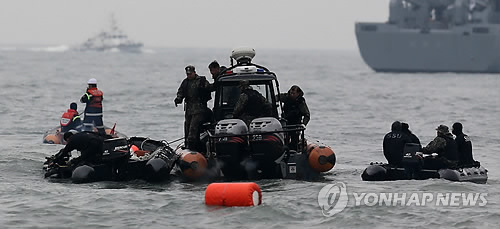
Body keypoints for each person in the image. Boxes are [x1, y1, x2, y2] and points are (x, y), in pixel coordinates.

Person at [174, 65, 211, 151]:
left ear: (194, 72)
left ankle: (192, 148)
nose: (189, 76)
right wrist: (178, 99)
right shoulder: (185, 82)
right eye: (188, 74)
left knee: (193, 130)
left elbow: (210, 88)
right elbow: (181, 92)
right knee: (187, 127)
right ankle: (188, 146)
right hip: (189, 110)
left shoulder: (201, 81)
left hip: (199, 110)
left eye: (190, 74)